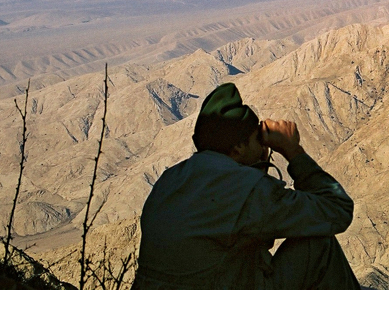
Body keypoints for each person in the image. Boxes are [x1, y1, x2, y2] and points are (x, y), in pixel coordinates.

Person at [132, 83, 361, 289]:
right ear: (239, 148)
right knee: (319, 243)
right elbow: (337, 210)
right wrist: (293, 151)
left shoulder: (169, 179)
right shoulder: (244, 188)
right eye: (257, 140)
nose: (263, 147)